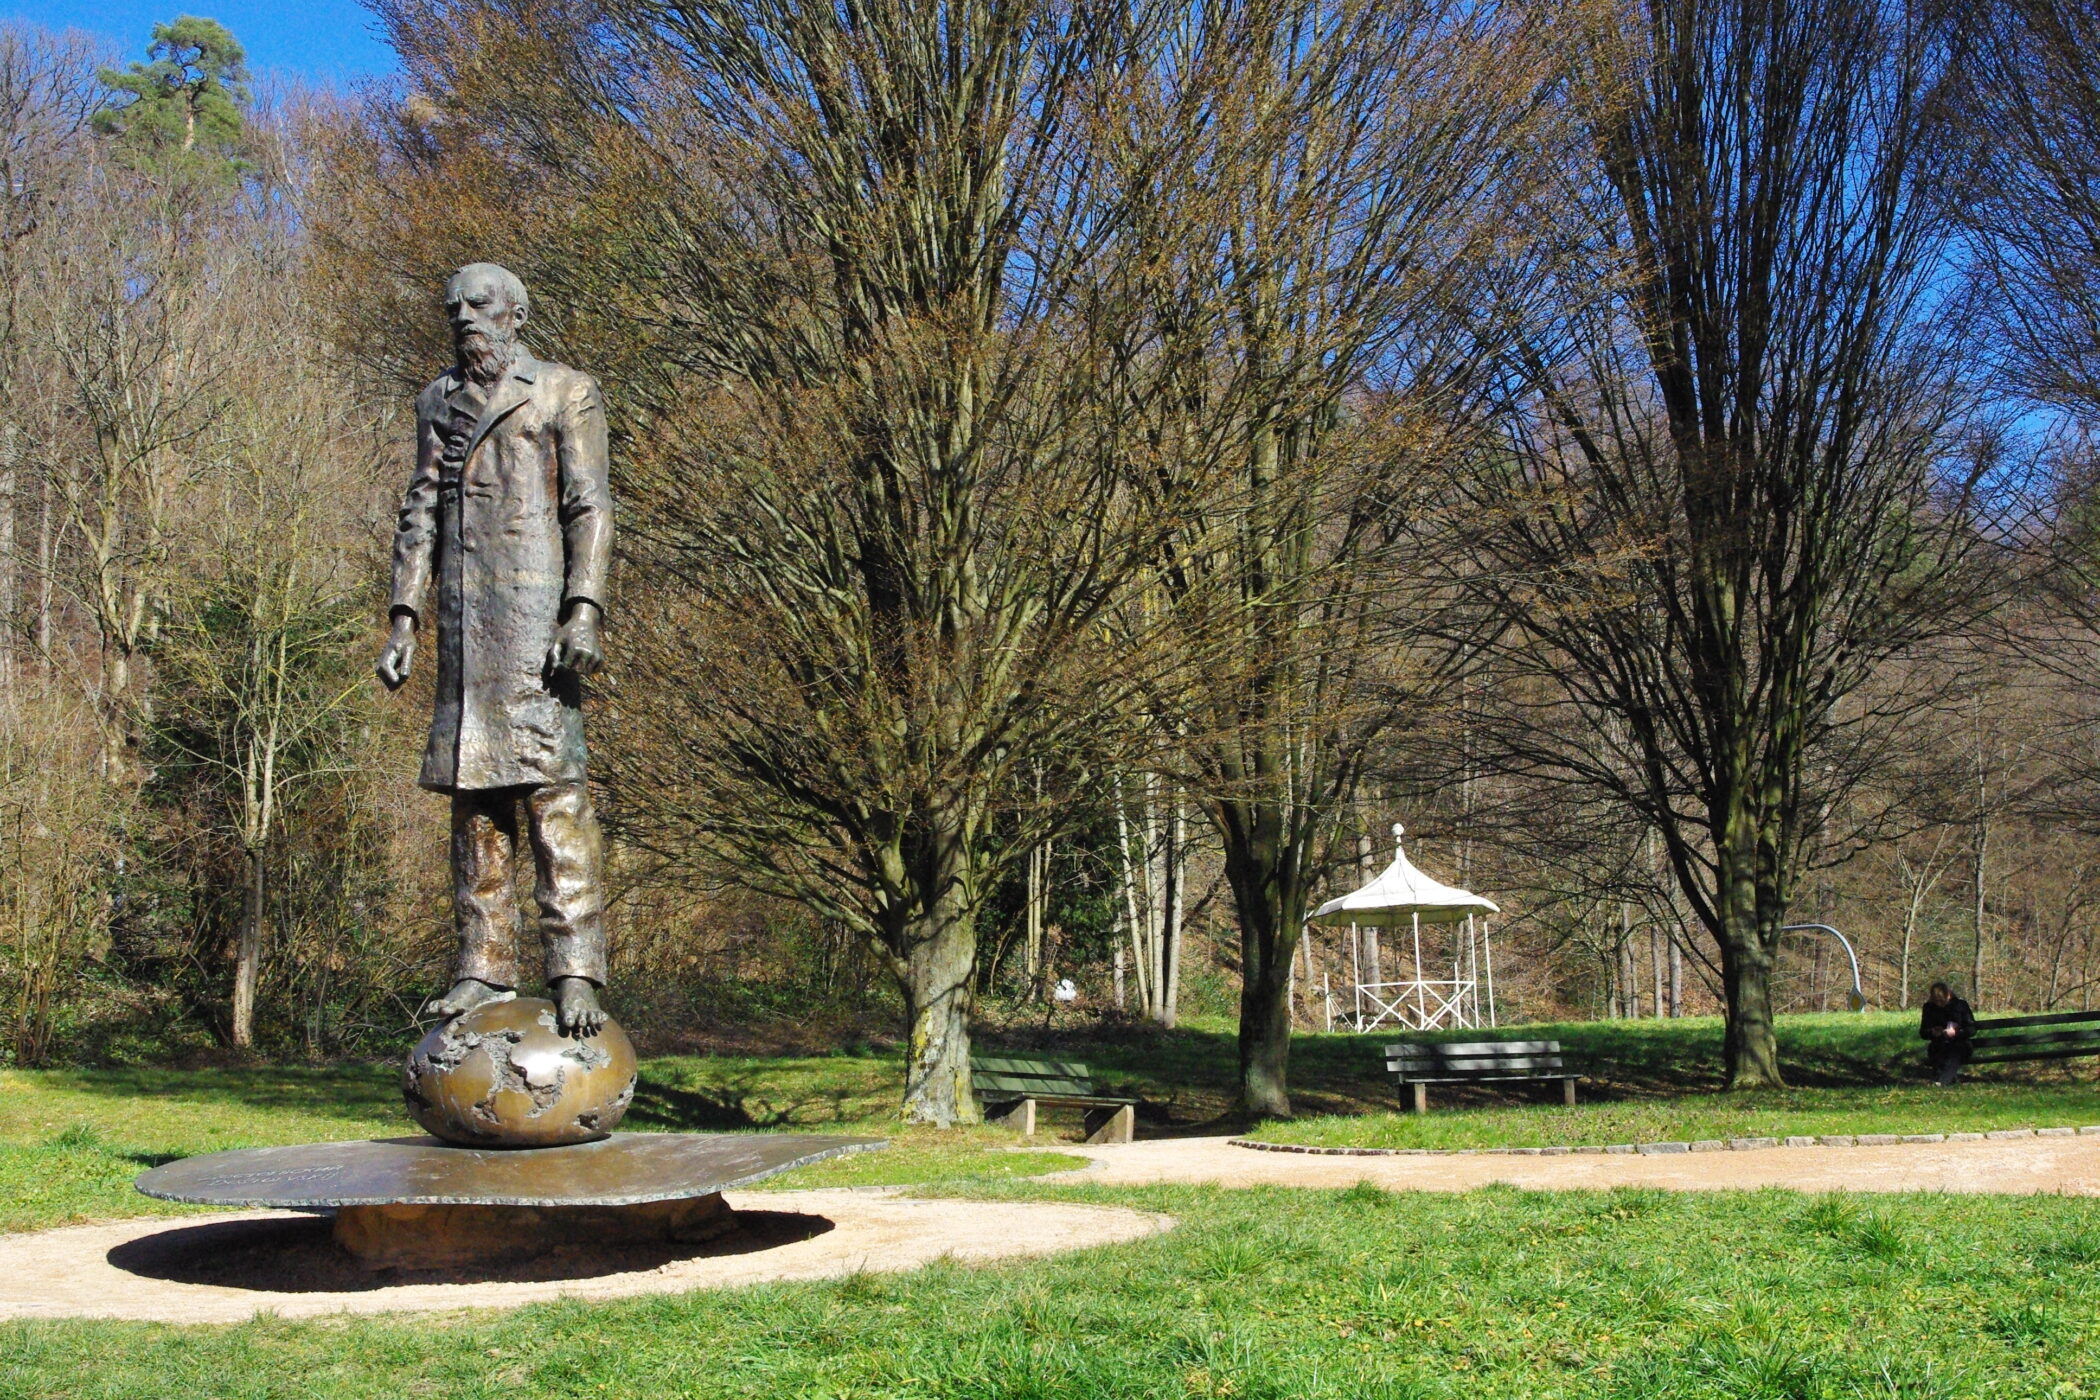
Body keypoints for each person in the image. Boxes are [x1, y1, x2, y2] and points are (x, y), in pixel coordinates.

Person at [376, 263, 614, 1037]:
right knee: (475, 804)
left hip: (536, 627)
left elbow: (589, 506)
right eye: (455, 310)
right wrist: (404, 616)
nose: (464, 319)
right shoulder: (435, 401)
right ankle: (481, 968)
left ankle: (575, 971)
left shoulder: (561, 391)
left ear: (516, 313)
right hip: (464, 630)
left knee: (554, 798)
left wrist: (584, 608)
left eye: (479, 306)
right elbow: (420, 512)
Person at [1919, 981, 1975, 1086]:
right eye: (1936, 1001)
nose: (1939, 1004)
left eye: (1941, 1001)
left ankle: (1941, 1082)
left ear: (1948, 995)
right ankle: (1945, 1081)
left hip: (1961, 1043)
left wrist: (1957, 1032)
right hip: (1939, 1043)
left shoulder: (1960, 1005)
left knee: (1955, 1052)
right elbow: (1923, 1032)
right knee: (1937, 1050)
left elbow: (1971, 1029)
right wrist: (1932, 1032)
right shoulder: (1929, 1007)